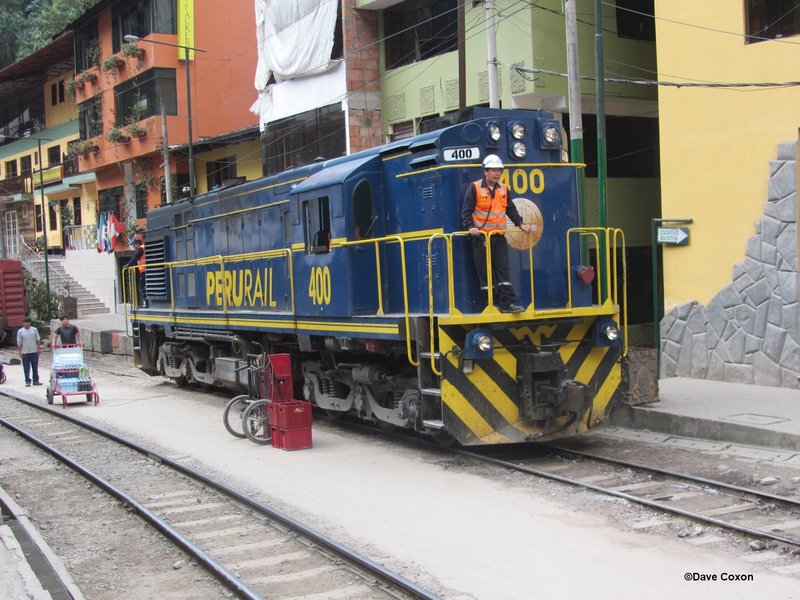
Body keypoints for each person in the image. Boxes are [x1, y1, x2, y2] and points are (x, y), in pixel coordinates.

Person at [461, 154, 532, 313]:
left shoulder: (504, 189)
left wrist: (521, 224)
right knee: (485, 273)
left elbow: (510, 210)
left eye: (499, 170)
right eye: (493, 170)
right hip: (481, 238)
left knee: (503, 270)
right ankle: (491, 304)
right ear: (485, 171)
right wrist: (470, 227)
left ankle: (508, 304)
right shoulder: (475, 188)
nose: (497, 173)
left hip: (499, 236)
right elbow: (466, 212)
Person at [16, 316, 42, 387]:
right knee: (26, 368)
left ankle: (36, 381)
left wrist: (39, 349)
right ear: (23, 323)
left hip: (34, 352)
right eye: (26, 322)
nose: (27, 324)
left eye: (29, 322)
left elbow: (38, 340)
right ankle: (27, 381)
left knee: (35, 368)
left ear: (30, 323)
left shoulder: (34, 330)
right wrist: (20, 352)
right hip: (25, 353)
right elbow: (19, 342)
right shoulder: (20, 331)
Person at [124, 237, 147, 307]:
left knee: (142, 287)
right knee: (144, 287)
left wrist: (128, 264)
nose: (133, 246)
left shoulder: (140, 249)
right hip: (145, 270)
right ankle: (146, 302)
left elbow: (135, 257)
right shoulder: (143, 247)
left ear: (137, 244)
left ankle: (146, 302)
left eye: (133, 245)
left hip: (144, 271)